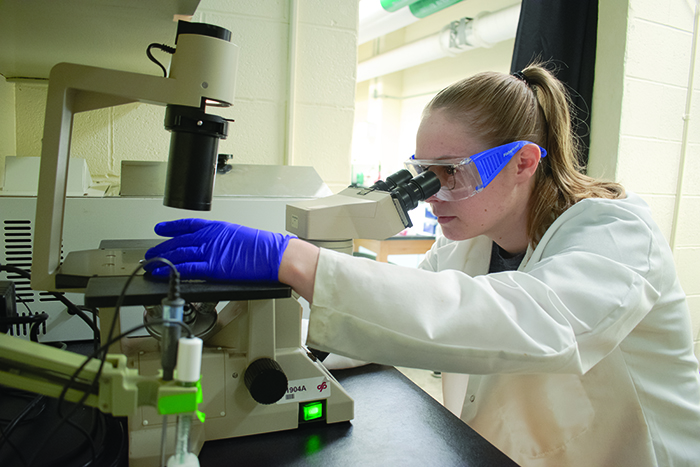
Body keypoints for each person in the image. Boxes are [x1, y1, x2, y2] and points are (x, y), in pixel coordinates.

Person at [144, 62, 700, 467]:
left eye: (449, 172)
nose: (431, 195)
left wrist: (294, 259)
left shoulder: (617, 233)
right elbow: (397, 315)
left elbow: (525, 322)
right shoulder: (467, 244)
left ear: (524, 162)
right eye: (424, 172)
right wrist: (277, 338)